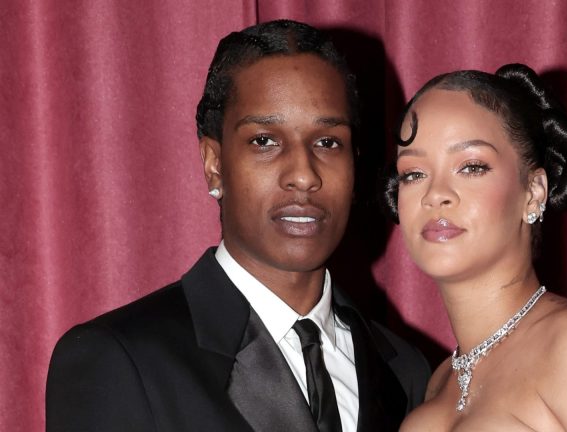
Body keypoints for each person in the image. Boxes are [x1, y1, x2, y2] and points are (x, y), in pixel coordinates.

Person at [46, 19, 430, 432]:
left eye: (327, 142)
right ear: (214, 165)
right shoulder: (120, 360)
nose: (303, 175)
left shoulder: (407, 372)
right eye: (265, 140)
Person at [383, 64, 567, 431]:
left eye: (471, 167)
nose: (435, 194)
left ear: (534, 192)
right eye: (413, 173)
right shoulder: (439, 381)